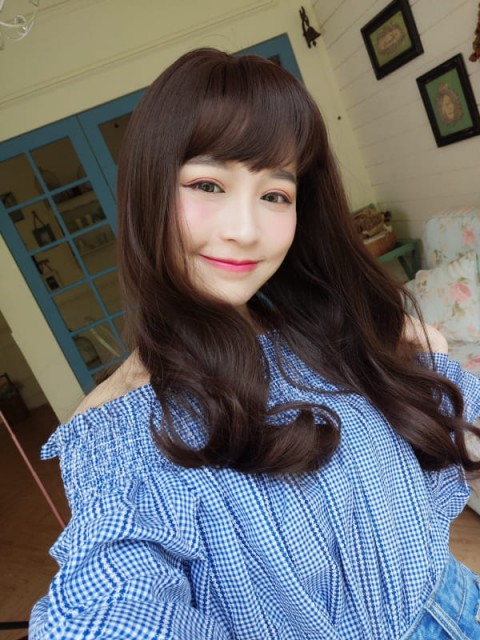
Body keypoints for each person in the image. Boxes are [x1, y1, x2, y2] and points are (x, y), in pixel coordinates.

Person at [30, 48, 480, 639]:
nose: (245, 231)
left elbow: (451, 441)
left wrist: (429, 365)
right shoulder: (115, 432)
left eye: (275, 194)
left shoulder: (333, 332)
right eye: (207, 184)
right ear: (147, 192)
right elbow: (112, 600)